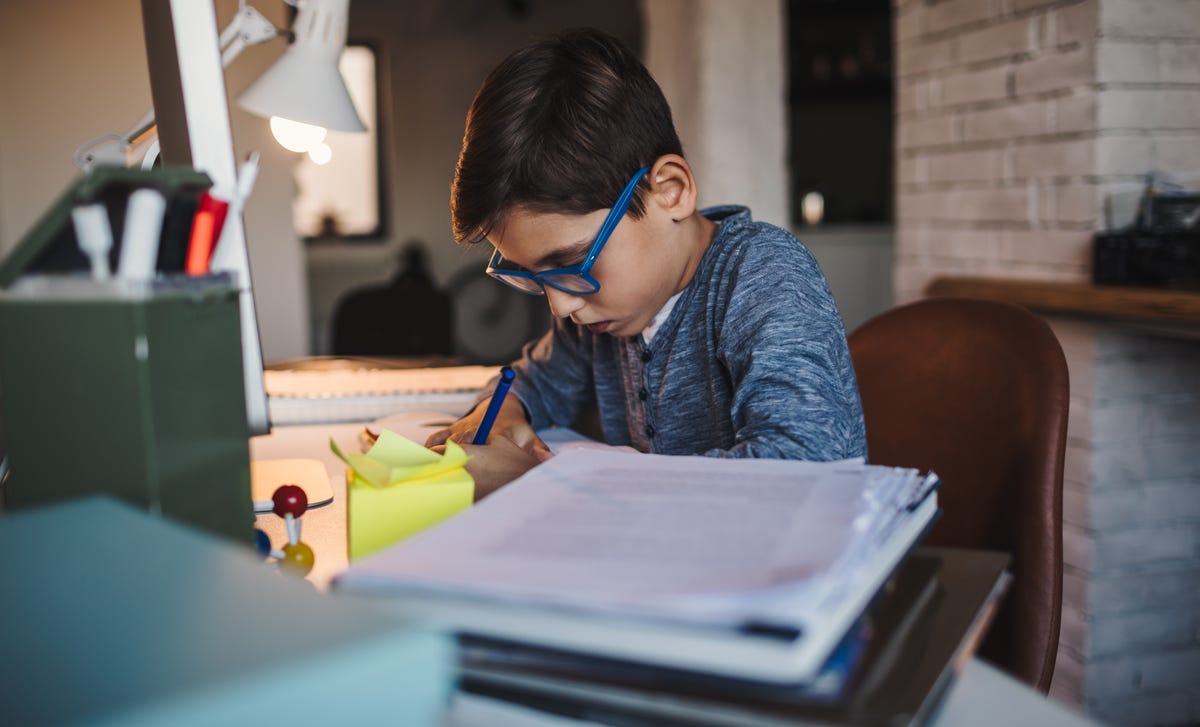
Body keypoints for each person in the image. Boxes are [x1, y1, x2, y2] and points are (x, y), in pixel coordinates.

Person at [427, 28, 866, 499]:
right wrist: (500, 410)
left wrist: (537, 480)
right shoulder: (597, 314)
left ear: (670, 191)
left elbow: (804, 468)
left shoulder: (762, 276)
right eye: (532, 276)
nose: (560, 307)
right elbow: (535, 381)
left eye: (573, 262)